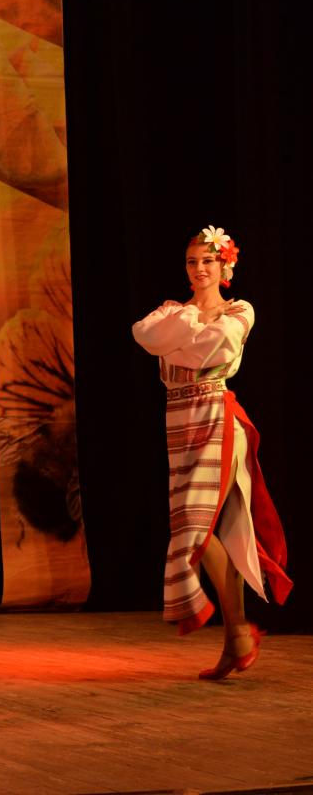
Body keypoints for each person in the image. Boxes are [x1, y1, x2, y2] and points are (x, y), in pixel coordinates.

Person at [132, 226, 291, 680]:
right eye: (192, 261)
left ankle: (238, 632)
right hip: (179, 419)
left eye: (207, 261)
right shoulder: (171, 310)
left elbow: (206, 351)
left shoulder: (239, 310)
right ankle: (236, 638)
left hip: (216, 418)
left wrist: (180, 335)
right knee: (219, 529)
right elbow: (144, 335)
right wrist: (185, 323)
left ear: (225, 266)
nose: (199, 268)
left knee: (194, 529)